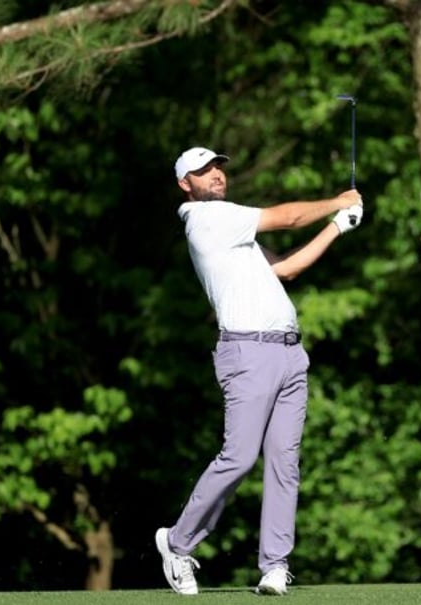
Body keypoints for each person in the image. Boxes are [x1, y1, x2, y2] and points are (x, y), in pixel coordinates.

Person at [155, 146, 363, 596]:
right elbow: (287, 218)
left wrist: (336, 228)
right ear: (184, 184)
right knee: (240, 456)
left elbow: (286, 269)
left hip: (289, 353)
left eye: (218, 168)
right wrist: (337, 202)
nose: (214, 175)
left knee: (285, 464)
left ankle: (274, 565)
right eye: (202, 171)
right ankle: (177, 542)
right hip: (247, 353)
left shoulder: (237, 235)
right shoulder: (206, 219)